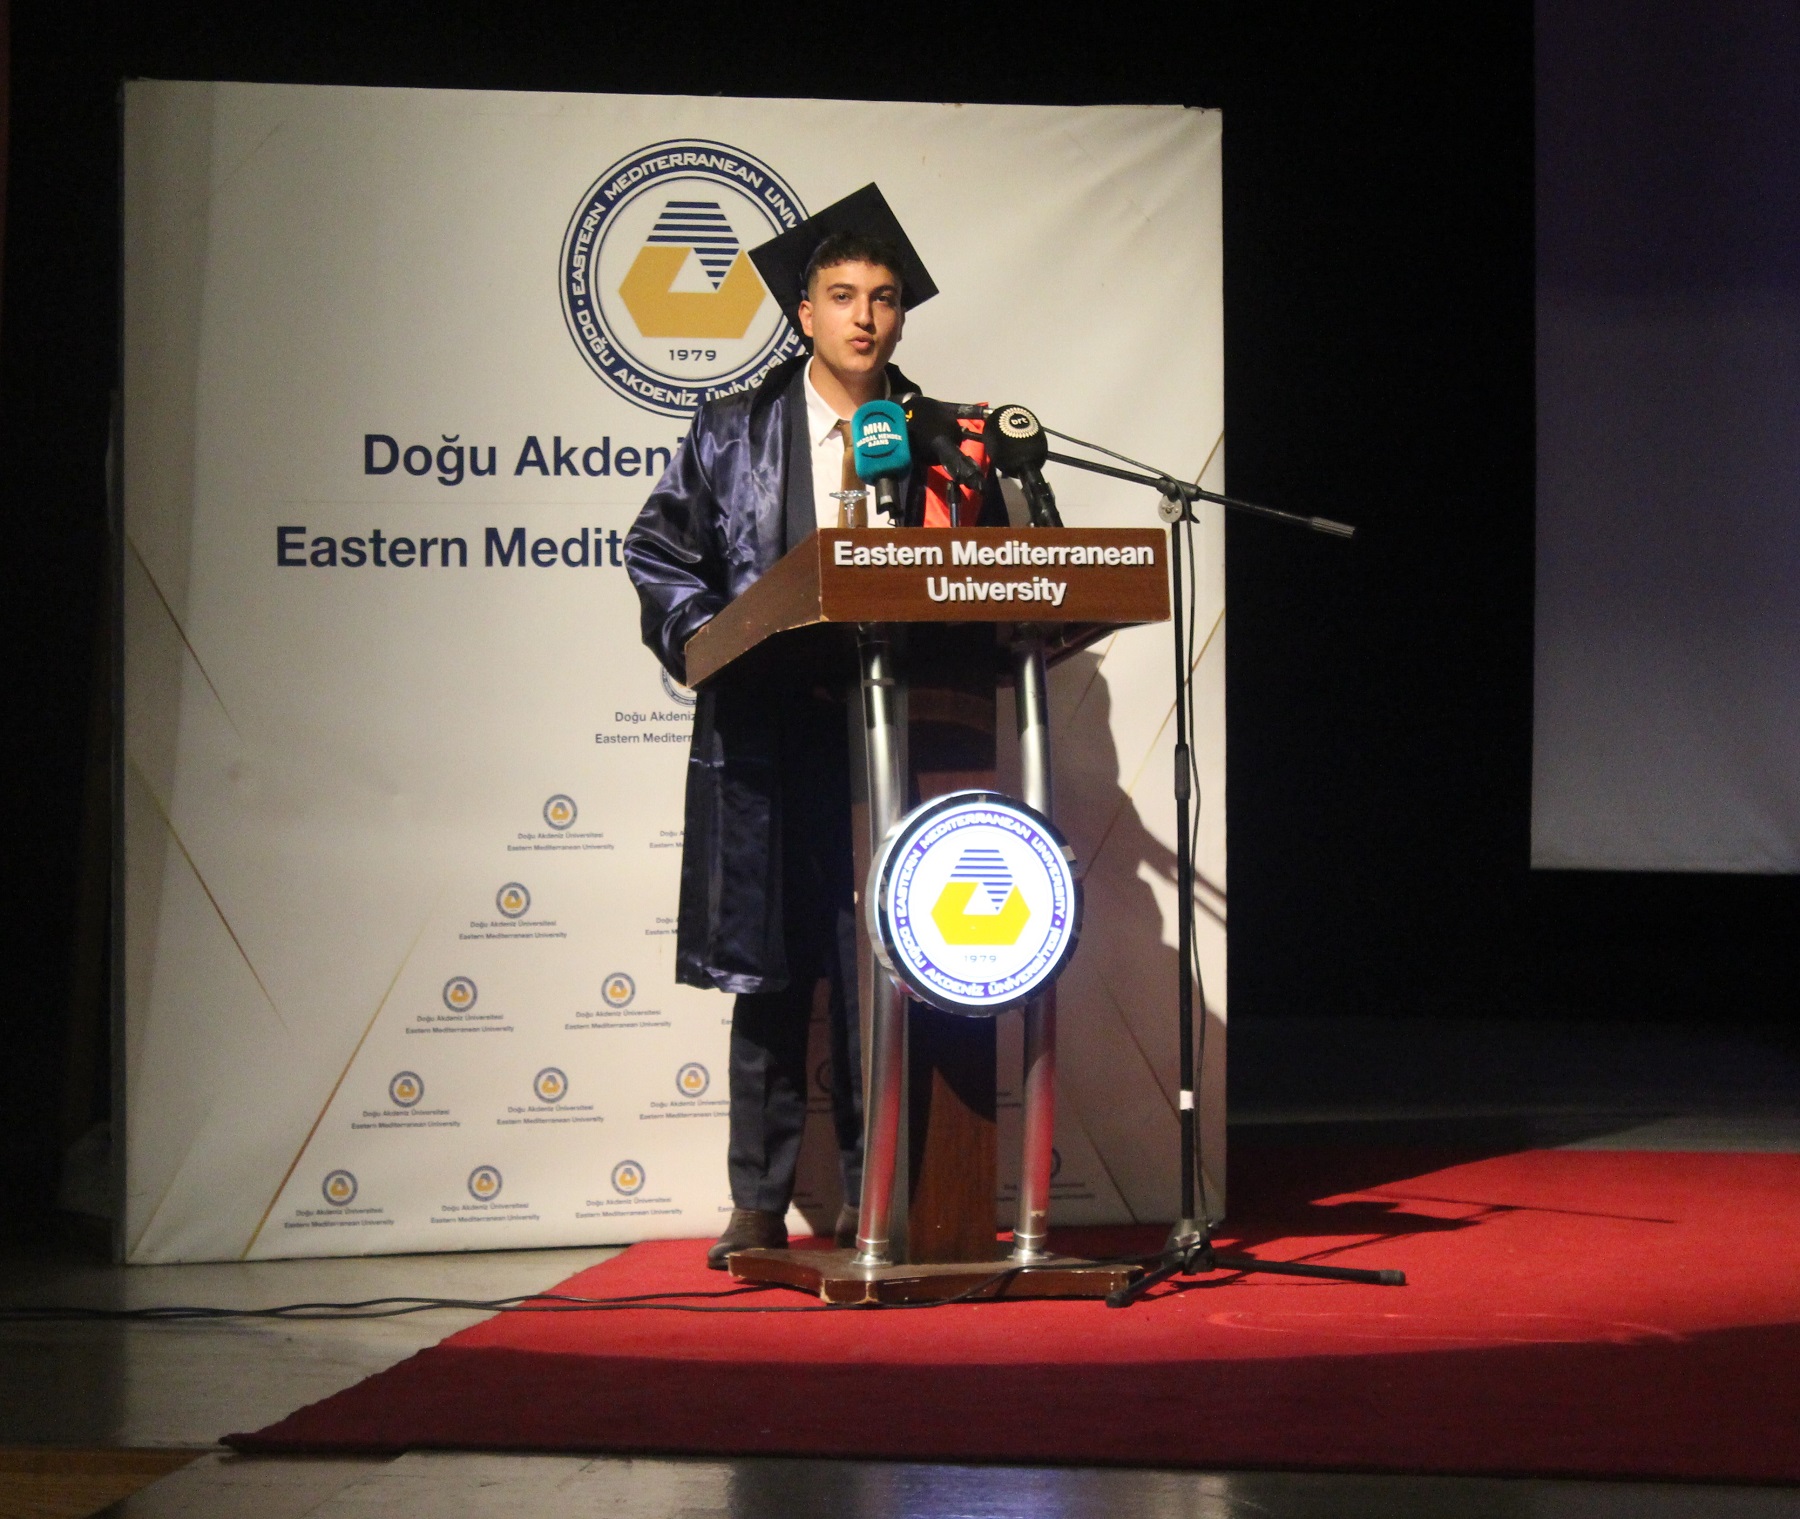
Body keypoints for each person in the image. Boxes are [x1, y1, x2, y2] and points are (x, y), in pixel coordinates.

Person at [623, 186, 1003, 1267]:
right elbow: (660, 552)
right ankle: (759, 1198)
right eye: (842, 296)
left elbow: (997, 560)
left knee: (886, 961)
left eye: (883, 299)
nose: (864, 317)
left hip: (904, 737)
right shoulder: (732, 431)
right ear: (804, 314)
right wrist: (716, 637)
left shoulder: (942, 438)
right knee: (774, 974)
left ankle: (878, 1188)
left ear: (901, 319)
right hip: (771, 737)